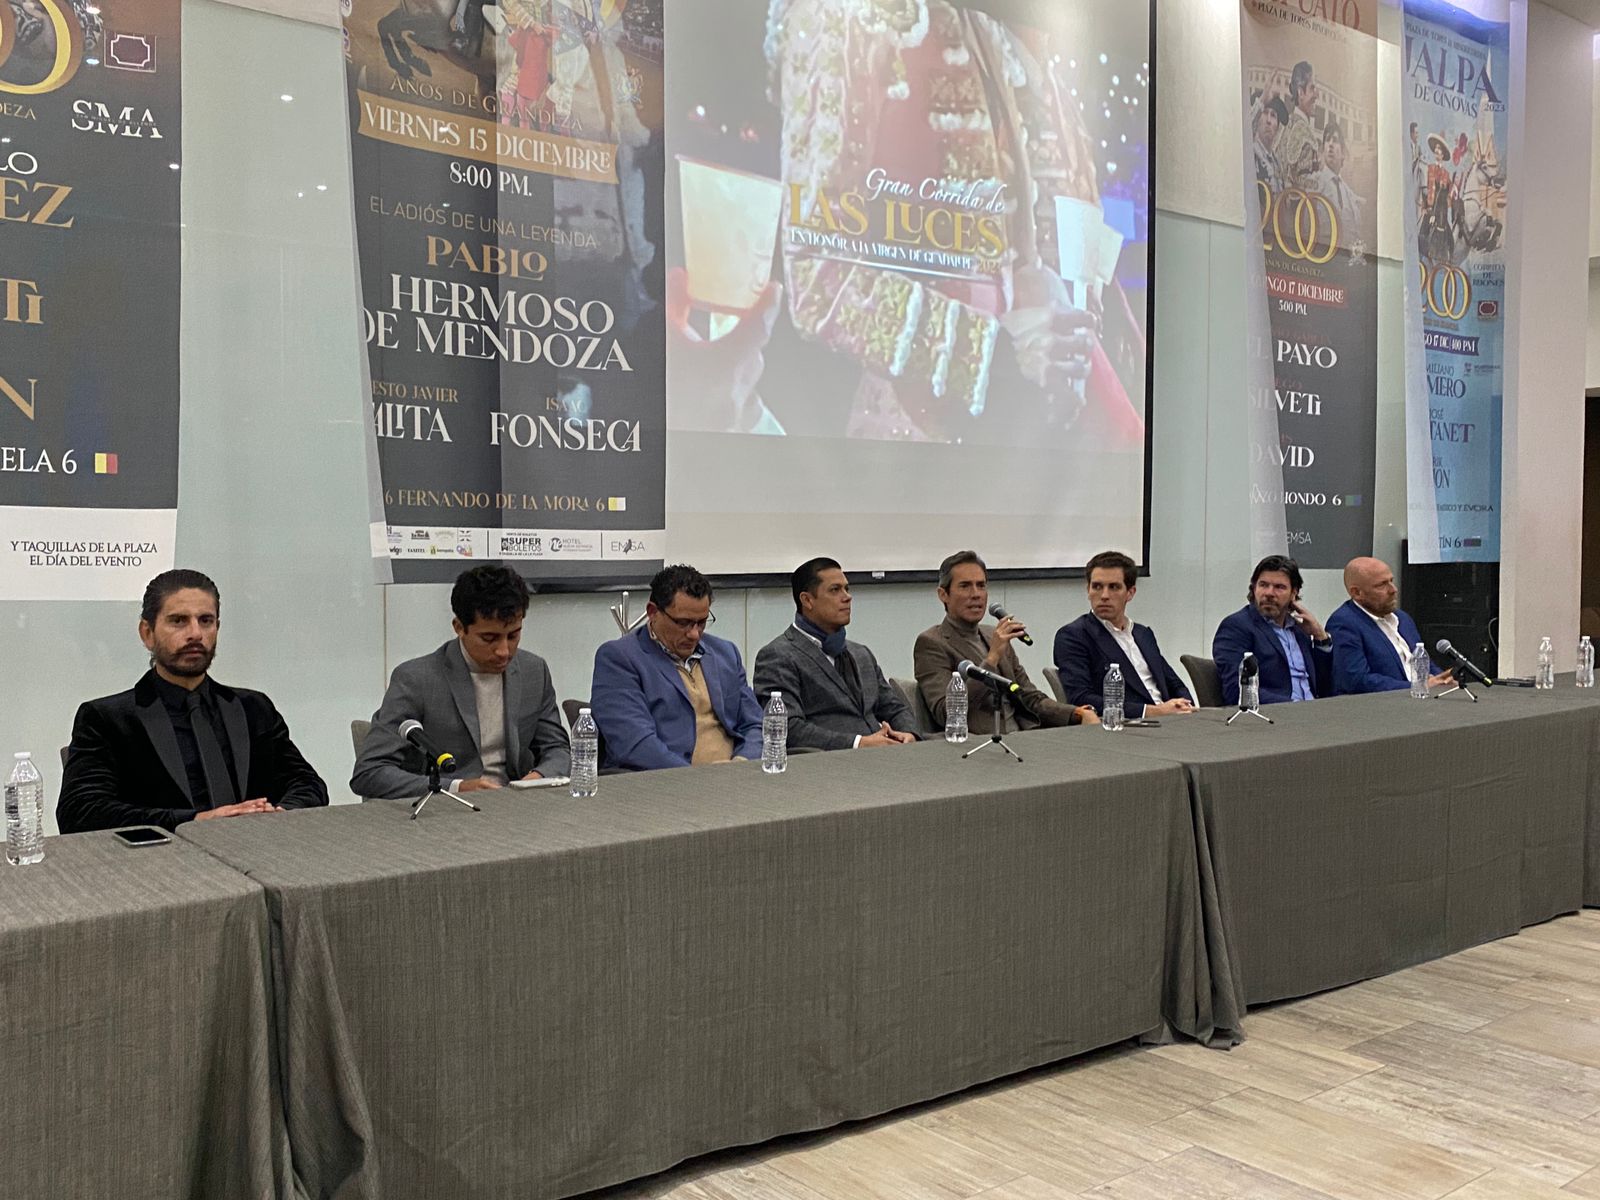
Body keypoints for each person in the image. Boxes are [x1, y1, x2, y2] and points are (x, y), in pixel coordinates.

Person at [57, 569, 327, 833]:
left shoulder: (253, 708)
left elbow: (308, 784)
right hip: (163, 857)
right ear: (147, 633)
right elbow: (80, 812)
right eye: (178, 621)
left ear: (217, 628)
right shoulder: (107, 718)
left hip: (257, 849)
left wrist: (279, 814)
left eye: (206, 621)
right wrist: (194, 821)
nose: (195, 633)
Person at [351, 565, 570, 799]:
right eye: (489, 638)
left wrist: (537, 777)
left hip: (517, 804)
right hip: (449, 808)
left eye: (513, 636)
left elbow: (558, 749)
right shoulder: (417, 679)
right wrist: (456, 787)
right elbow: (369, 772)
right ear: (459, 627)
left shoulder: (534, 671)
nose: (504, 651)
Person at [590, 563, 764, 770]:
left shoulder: (725, 653)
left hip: (736, 776)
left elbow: (755, 725)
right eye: (683, 623)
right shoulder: (620, 659)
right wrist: (696, 778)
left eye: (701, 622)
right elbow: (635, 745)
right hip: (666, 781)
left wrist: (742, 765)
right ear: (653, 612)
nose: (694, 634)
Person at [913, 550, 1097, 734]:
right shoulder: (931, 643)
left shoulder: (992, 635)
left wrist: (1077, 713)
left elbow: (1029, 696)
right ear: (943, 594)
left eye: (981, 585)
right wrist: (991, 659)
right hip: (978, 742)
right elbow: (946, 713)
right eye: (965, 586)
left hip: (1025, 735)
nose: (976, 594)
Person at [752, 557, 919, 750]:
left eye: (847, 589)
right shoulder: (778, 656)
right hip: (828, 761)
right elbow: (789, 728)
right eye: (835, 590)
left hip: (886, 755)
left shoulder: (861, 654)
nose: (847, 597)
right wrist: (859, 743)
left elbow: (894, 708)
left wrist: (908, 734)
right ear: (807, 600)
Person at [1053, 550, 1195, 719]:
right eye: (1097, 587)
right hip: (1127, 724)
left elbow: (1174, 683)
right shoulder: (1074, 636)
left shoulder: (1143, 634)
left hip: (1171, 720)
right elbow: (1081, 698)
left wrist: (1185, 706)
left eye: (1114, 587)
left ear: (1130, 593)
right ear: (1088, 590)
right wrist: (1152, 711)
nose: (1104, 596)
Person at [1213, 555, 1333, 706]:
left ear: (1293, 593)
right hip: (1277, 714)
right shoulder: (1237, 627)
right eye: (1263, 585)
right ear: (1254, 588)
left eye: (1279, 587)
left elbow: (1324, 684)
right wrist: (1295, 706)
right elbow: (1238, 690)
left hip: (1314, 711)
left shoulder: (1299, 630)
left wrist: (1320, 636)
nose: (1269, 593)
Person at [1326, 557, 1451, 695]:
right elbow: (1356, 681)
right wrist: (1416, 686)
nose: (1393, 590)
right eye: (1381, 585)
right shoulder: (1344, 623)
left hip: (1422, 697)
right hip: (1383, 703)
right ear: (1357, 593)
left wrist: (1442, 679)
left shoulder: (1402, 618)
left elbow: (1421, 661)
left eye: (1391, 581)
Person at [1308, 121, 1364, 235]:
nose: (1330, 144)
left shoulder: (1347, 191)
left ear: (1343, 153)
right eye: (1327, 140)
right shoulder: (1314, 183)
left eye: (1335, 140)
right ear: (1323, 149)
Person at [1274, 60, 1322, 186]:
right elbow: (1304, 185)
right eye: (1312, 88)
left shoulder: (1284, 125)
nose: (1317, 94)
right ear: (1300, 93)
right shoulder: (1304, 131)